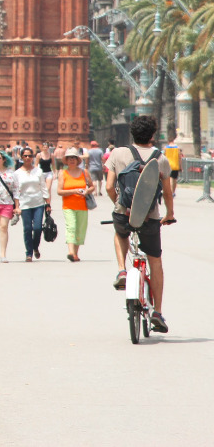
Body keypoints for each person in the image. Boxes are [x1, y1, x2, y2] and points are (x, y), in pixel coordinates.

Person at [105, 115, 176, 333]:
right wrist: (169, 213)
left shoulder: (118, 153)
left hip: (124, 213)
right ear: (152, 135)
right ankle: (157, 312)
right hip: (150, 217)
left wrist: (119, 205)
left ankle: (122, 271)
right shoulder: (160, 158)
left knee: (120, 233)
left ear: (132, 133)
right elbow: (167, 193)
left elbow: (109, 187)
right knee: (155, 261)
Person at [13, 147, 51, 261]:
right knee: (28, 229)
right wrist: (17, 206)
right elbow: (16, 191)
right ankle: (29, 253)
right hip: (25, 204)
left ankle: (35, 247)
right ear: (21, 157)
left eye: (30, 156)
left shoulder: (38, 171)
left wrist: (48, 203)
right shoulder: (17, 173)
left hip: (38, 203)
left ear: (33, 157)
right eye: (25, 156)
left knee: (38, 228)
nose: (27, 158)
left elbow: (43, 187)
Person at [57, 147, 92, 261]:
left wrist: (87, 191)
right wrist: (73, 191)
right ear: (66, 161)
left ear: (77, 160)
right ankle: (71, 252)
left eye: (74, 158)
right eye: (69, 158)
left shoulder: (84, 172)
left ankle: (75, 253)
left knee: (80, 229)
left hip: (82, 206)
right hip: (68, 206)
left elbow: (92, 186)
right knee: (71, 227)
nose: (71, 160)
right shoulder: (63, 173)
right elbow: (59, 191)